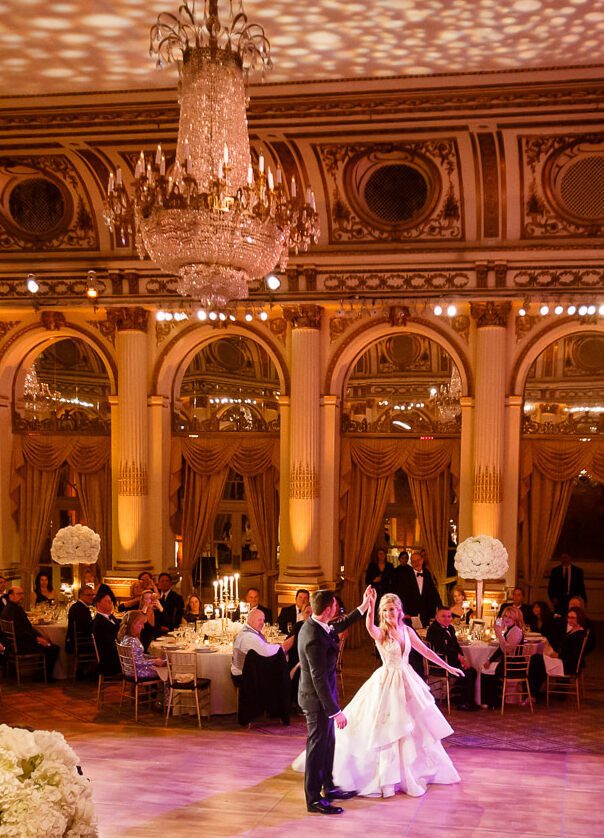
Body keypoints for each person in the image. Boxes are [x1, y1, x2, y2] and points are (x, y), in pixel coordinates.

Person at [294, 590, 462, 805]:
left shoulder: (407, 630)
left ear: (399, 610)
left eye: (392, 609)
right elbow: (368, 627)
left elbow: (425, 652)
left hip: (407, 681)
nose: (389, 613)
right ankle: (375, 781)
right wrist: (370, 608)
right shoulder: (380, 632)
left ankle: (402, 775)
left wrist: (449, 666)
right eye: (385, 610)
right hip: (386, 683)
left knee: (413, 728)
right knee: (388, 729)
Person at [296, 586, 373, 815]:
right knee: (317, 748)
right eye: (336, 606)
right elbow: (318, 679)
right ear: (329, 609)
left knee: (328, 744)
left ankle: (328, 787)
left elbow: (340, 624)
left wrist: (364, 605)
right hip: (316, 700)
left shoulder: (319, 624)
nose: (338, 609)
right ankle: (313, 800)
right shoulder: (312, 637)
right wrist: (335, 712)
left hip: (323, 698)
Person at [528, 606, 588, 701]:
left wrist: (557, 655)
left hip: (567, 665)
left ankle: (532, 694)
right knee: (537, 659)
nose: (569, 620)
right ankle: (533, 693)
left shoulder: (579, 634)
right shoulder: (573, 630)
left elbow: (573, 654)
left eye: (572, 618)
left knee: (536, 660)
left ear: (579, 618)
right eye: (568, 617)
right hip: (563, 660)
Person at [426, 606, 478, 710]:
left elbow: (455, 645)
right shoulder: (434, 630)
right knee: (469, 673)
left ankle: (461, 698)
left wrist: (462, 658)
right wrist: (458, 657)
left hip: (450, 660)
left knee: (471, 670)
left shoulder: (450, 628)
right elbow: (442, 648)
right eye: (444, 616)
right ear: (437, 617)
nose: (447, 619)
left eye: (449, 616)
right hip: (441, 663)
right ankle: (466, 702)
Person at [1, 586, 60, 677]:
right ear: (11, 596)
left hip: (15, 643)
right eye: (19, 594)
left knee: (49, 644)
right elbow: (20, 632)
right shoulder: (13, 610)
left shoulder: (12, 608)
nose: (22, 596)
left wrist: (39, 637)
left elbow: (26, 628)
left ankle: (39, 673)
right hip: (21, 645)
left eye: (22, 594)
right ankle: (43, 676)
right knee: (53, 648)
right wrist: (37, 639)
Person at [480, 606, 524, 709]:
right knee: (486, 668)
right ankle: (491, 701)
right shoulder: (509, 630)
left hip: (514, 665)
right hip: (508, 662)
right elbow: (501, 649)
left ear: (515, 619)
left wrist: (500, 635)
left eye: (510, 617)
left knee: (487, 671)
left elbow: (507, 650)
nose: (507, 619)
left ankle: (492, 702)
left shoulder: (516, 631)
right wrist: (490, 660)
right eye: (505, 616)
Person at [231, 607, 283, 685]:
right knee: (280, 673)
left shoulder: (249, 631)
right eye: (259, 620)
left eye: (263, 620)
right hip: (242, 677)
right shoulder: (249, 636)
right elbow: (267, 652)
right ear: (250, 620)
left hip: (244, 672)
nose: (263, 623)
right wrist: (282, 646)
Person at [395, 551, 442, 627]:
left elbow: (433, 592)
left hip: (427, 613)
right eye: (414, 561)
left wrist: (440, 607)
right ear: (411, 563)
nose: (416, 563)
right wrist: (404, 613)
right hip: (411, 614)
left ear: (422, 560)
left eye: (418, 560)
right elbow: (401, 596)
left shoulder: (427, 574)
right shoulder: (405, 576)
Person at [117, 610, 166, 680]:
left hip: (130, 671)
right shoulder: (132, 641)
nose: (143, 627)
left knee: (161, 669)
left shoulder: (126, 637)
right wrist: (154, 661)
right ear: (133, 624)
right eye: (141, 624)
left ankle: (156, 690)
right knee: (167, 671)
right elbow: (136, 662)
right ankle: (167, 690)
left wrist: (153, 658)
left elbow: (139, 655)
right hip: (138, 672)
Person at [92, 591, 121, 676]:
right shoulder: (99, 623)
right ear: (98, 604)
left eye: (111, 601)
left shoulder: (111, 618)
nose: (110, 603)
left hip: (116, 654)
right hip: (110, 660)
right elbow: (108, 644)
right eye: (107, 601)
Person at [65, 586, 95, 655]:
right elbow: (85, 629)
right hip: (81, 643)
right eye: (88, 595)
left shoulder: (79, 606)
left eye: (92, 595)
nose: (92, 597)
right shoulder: (80, 609)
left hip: (78, 641)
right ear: (81, 596)